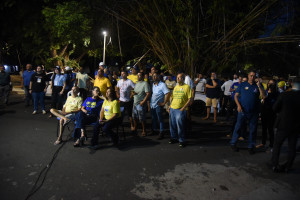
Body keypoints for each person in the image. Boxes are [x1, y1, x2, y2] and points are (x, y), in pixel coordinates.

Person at [230, 71, 266, 154]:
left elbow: (264, 96)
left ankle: (251, 146)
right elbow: (235, 96)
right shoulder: (242, 85)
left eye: (254, 76)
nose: (252, 77)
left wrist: (259, 86)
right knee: (238, 127)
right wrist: (238, 105)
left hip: (254, 112)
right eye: (251, 76)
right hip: (243, 111)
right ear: (248, 76)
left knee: (253, 129)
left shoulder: (257, 86)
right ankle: (233, 143)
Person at [270, 78, 300, 172]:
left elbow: (274, 108)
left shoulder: (285, 94)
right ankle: (288, 166)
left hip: (283, 123)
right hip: (296, 125)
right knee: (292, 147)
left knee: (277, 145)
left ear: (291, 84)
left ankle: (275, 164)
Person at [169, 73, 192, 147]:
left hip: (180, 109)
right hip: (173, 108)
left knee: (180, 125)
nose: (178, 79)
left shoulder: (187, 87)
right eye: (177, 78)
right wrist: (170, 105)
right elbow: (172, 97)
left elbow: (190, 99)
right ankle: (173, 138)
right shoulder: (176, 87)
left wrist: (183, 108)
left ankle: (181, 140)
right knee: (172, 124)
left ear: (183, 79)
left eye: (179, 78)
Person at [256, 79, 279, 149]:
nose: (270, 85)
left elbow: (265, 97)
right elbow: (262, 97)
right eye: (269, 83)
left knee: (270, 129)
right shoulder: (266, 91)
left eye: (272, 84)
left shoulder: (276, 93)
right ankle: (263, 143)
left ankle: (272, 144)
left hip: (271, 113)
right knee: (264, 129)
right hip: (264, 112)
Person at [150, 72, 170, 139]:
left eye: (155, 76)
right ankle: (155, 130)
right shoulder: (153, 84)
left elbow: (167, 93)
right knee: (154, 119)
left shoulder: (162, 85)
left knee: (160, 119)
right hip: (152, 105)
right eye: (153, 76)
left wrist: (164, 103)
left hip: (158, 105)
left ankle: (162, 132)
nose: (154, 77)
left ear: (158, 77)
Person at [132, 72, 151, 136]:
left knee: (142, 118)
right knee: (135, 117)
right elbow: (135, 91)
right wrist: (133, 93)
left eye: (140, 75)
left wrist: (143, 101)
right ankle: (135, 128)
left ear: (143, 76)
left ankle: (144, 130)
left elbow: (148, 94)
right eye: (138, 75)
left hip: (140, 103)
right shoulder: (137, 83)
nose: (138, 76)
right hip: (135, 103)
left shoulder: (145, 83)